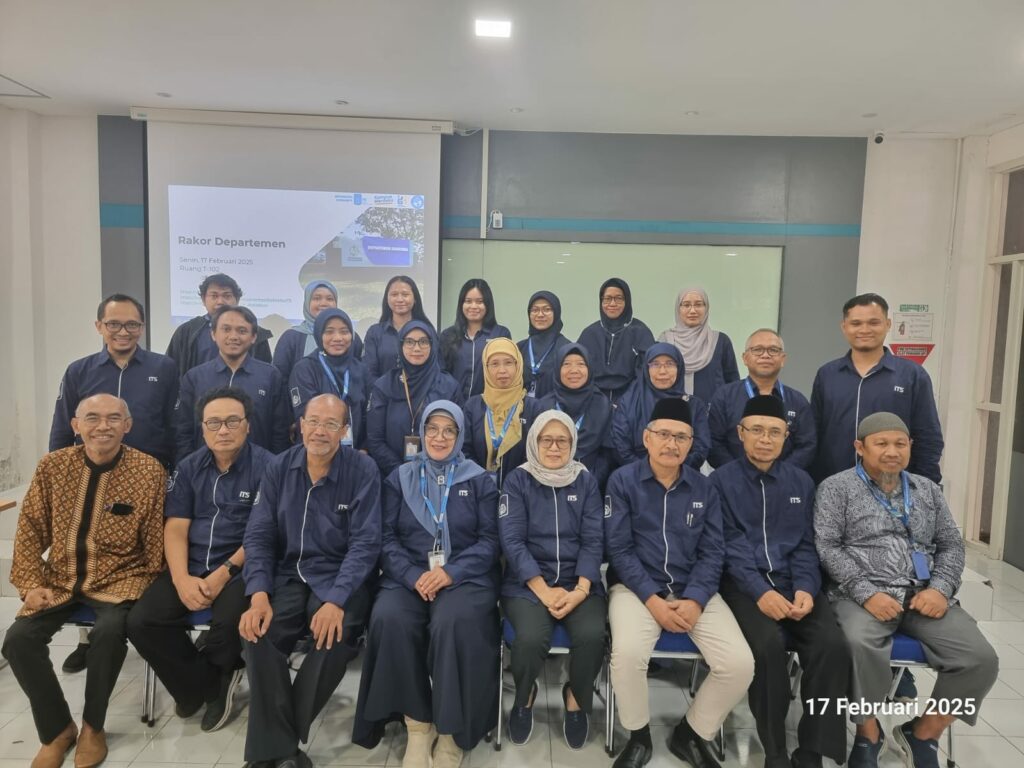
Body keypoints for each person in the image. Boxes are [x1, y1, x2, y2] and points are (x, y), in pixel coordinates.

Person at [816, 412, 998, 768]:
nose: (892, 451)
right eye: (881, 443)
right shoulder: (836, 488)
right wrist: (867, 593)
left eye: (900, 444)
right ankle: (868, 734)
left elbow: (951, 544)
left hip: (923, 597)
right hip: (861, 597)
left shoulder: (927, 490)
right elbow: (827, 547)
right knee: (856, 643)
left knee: (980, 659)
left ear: (910, 447)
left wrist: (940, 589)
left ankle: (924, 733)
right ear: (859, 447)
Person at [3, 394, 165, 768]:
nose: (103, 426)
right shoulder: (53, 466)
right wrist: (30, 584)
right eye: (92, 417)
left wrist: (146, 588)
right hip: (60, 579)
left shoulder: (149, 471)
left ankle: (93, 727)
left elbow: (154, 543)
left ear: (128, 425)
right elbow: (30, 529)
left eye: (114, 418)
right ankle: (57, 730)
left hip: (120, 579)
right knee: (18, 641)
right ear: (76, 425)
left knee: (108, 634)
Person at [604, 397, 754, 768]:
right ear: (647, 438)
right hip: (636, 589)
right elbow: (620, 550)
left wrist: (696, 599)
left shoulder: (704, 488)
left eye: (681, 437)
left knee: (739, 664)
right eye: (664, 435)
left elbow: (713, 551)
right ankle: (638, 736)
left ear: (691, 444)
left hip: (694, 589)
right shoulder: (622, 481)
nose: (672, 444)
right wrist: (653, 600)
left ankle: (692, 732)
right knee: (627, 655)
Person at [352, 401, 500, 767]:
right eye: (432, 429)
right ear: (421, 433)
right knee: (389, 617)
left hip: (464, 577)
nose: (439, 437)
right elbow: (385, 538)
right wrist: (412, 574)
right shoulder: (399, 478)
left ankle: (453, 733)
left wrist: (451, 572)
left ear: (460, 436)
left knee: (453, 622)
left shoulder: (478, 480)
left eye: (449, 430)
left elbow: (490, 541)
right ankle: (418, 726)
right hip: (409, 576)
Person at [240, 394, 381, 768]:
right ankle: (284, 751)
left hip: (340, 577)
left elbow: (366, 543)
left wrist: (336, 600)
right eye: (313, 421)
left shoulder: (362, 470)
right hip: (289, 574)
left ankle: (272, 747)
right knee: (256, 633)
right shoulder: (278, 467)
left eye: (331, 424)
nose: (320, 431)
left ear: (344, 431)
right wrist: (258, 594)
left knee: (336, 635)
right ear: (300, 425)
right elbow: (259, 534)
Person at [711, 395, 849, 768]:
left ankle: (812, 749)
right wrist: (761, 592)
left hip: (794, 583)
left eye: (775, 432)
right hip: (743, 586)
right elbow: (728, 546)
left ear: (786, 437)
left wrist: (805, 587)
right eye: (756, 430)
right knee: (768, 646)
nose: (765, 439)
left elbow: (806, 543)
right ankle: (775, 751)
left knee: (832, 646)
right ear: (740, 433)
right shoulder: (720, 482)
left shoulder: (801, 482)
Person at [128, 387, 273, 733]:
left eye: (232, 421)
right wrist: (181, 579)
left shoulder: (270, 467)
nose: (223, 430)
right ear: (203, 428)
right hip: (190, 564)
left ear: (248, 425)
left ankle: (204, 681)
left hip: (242, 566)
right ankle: (207, 685)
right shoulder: (189, 467)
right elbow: (176, 527)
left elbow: (264, 532)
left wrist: (224, 573)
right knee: (141, 622)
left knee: (229, 625)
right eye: (214, 423)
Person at [499, 410, 606, 750]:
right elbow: (512, 541)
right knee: (529, 639)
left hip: (580, 582)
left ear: (573, 444)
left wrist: (582, 589)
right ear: (534, 441)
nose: (555, 447)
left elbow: (593, 539)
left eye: (563, 440)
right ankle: (525, 696)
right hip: (527, 585)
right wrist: (543, 591)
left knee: (593, 635)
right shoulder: (518, 480)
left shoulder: (586, 481)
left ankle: (576, 697)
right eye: (547, 439)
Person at [810, 293, 944, 484]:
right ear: (844, 327)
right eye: (856, 323)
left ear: (888, 324)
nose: (865, 330)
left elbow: (928, 436)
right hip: (834, 485)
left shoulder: (912, 375)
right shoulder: (827, 375)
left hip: (893, 486)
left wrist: (924, 486)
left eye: (873, 322)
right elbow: (814, 433)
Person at [50, 293, 178, 468]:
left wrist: (178, 473)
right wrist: (58, 470)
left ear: (142, 327)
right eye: (113, 324)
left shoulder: (164, 368)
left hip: (149, 471)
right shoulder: (78, 371)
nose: (123, 332)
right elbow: (62, 428)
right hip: (89, 470)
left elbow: (176, 427)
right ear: (99, 326)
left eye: (132, 325)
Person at [175, 305, 290, 461]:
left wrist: (275, 467)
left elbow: (280, 432)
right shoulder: (195, 377)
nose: (234, 336)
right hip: (204, 468)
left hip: (259, 468)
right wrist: (189, 466)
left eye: (242, 331)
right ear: (213, 334)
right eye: (226, 329)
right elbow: (183, 430)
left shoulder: (270, 376)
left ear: (254, 337)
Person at [707, 328, 816, 470]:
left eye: (773, 350)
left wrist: (780, 474)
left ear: (783, 359)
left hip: (783, 480)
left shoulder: (797, 401)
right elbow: (714, 442)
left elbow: (807, 446)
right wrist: (738, 473)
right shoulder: (724, 396)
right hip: (733, 479)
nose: (765, 355)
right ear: (745, 358)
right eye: (758, 350)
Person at [366, 321, 461, 476]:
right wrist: (402, 473)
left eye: (423, 342)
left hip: (438, 475)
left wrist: (431, 472)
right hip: (393, 475)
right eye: (409, 342)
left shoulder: (449, 386)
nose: (416, 348)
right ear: (400, 345)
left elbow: (457, 435)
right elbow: (375, 439)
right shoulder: (384, 385)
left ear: (432, 346)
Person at [611, 343, 710, 469]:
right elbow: (620, 446)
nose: (662, 371)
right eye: (655, 364)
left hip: (682, 474)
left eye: (669, 364)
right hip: (635, 474)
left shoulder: (693, 406)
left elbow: (700, 449)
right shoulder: (628, 402)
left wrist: (672, 471)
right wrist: (646, 471)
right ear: (646, 369)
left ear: (679, 368)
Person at [462, 338, 542, 489]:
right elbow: (464, 451)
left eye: (508, 363)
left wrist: (514, 485)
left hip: (521, 490)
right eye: (494, 364)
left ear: (518, 365)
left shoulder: (534, 408)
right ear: (486, 368)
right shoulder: (473, 406)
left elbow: (537, 454)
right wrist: (481, 481)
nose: (502, 370)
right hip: (478, 490)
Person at [288, 308, 370, 449]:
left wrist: (364, 449)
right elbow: (307, 417)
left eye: (344, 331)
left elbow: (369, 416)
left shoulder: (361, 370)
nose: (337, 338)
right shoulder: (305, 369)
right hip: (316, 452)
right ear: (319, 335)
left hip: (355, 453)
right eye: (329, 332)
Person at [537, 343, 615, 490]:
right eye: (566, 364)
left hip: (591, 484)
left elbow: (607, 453)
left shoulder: (603, 406)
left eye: (581, 364)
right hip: (547, 484)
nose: (574, 370)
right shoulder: (543, 406)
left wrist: (590, 481)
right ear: (557, 369)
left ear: (589, 369)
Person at [165, 273, 273, 377]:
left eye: (227, 296)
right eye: (214, 296)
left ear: (237, 299)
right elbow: (170, 371)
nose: (220, 301)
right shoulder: (186, 332)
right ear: (203, 300)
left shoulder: (255, 333)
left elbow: (265, 375)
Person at [577, 278, 655, 404]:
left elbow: (646, 374)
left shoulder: (641, 332)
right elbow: (580, 371)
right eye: (607, 298)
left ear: (627, 301)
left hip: (632, 400)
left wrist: (628, 401)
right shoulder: (589, 334)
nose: (612, 303)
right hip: (592, 399)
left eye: (618, 298)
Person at [272, 279, 365, 382]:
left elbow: (359, 375)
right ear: (307, 302)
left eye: (329, 299)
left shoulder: (351, 337)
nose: (323, 303)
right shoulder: (291, 337)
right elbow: (279, 379)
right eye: (317, 298)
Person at [658, 287, 739, 403]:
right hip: (674, 410)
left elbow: (732, 383)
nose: (692, 311)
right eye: (686, 305)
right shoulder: (665, 341)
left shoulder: (720, 341)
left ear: (706, 308)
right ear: (678, 309)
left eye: (698, 304)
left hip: (714, 411)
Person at [439, 278, 512, 400]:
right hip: (453, 403)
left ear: (487, 304)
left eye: (479, 302)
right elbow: (441, 373)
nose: (473, 306)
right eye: (468, 301)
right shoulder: (448, 335)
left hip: (488, 404)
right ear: (461, 304)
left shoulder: (500, 333)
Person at [363, 275, 433, 381]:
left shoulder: (427, 331)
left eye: (405, 294)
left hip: (420, 390)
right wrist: (385, 389)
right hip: (382, 390)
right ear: (387, 299)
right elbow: (369, 373)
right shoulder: (375, 333)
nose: (400, 299)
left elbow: (434, 370)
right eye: (394, 295)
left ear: (415, 299)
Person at [516, 290, 570, 400]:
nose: (540, 314)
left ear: (556, 313)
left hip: (553, 408)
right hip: (521, 408)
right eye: (535, 310)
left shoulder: (566, 348)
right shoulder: (519, 348)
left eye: (547, 309)